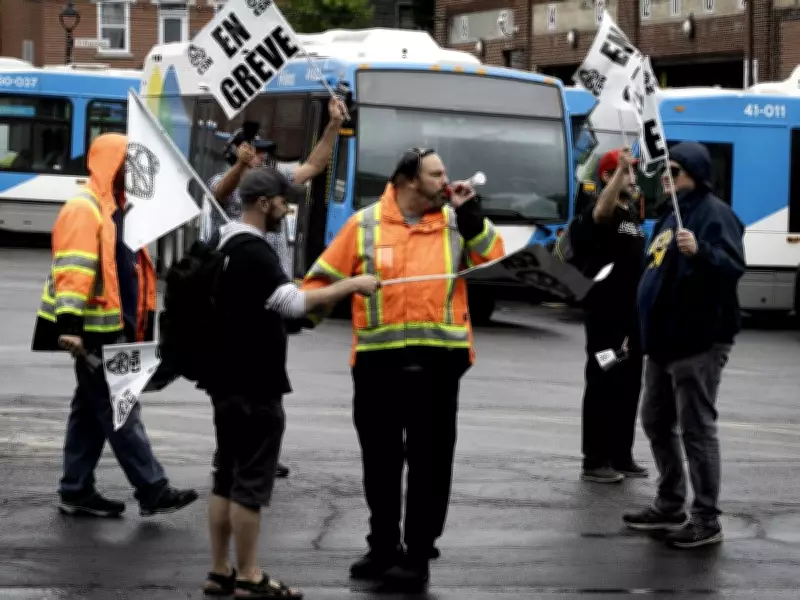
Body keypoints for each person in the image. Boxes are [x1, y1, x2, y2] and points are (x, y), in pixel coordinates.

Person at [301, 148, 506, 589]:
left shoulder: (455, 222)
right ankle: (382, 548)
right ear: (409, 180)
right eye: (437, 174)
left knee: (431, 467)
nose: (447, 181)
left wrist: (471, 214)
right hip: (378, 367)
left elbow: (496, 260)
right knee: (380, 464)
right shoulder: (365, 225)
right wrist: (300, 317)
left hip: (438, 367)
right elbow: (319, 282)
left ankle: (417, 555)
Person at [200, 168, 378, 598]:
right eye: (282, 200)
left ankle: (220, 571)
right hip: (255, 382)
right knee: (250, 485)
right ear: (264, 204)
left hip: (223, 379)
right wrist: (351, 284)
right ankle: (249, 575)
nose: (287, 207)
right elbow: (292, 303)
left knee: (225, 477)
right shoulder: (254, 250)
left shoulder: (218, 241)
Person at [31, 133, 198, 518]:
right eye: (128, 162)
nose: (135, 170)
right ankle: (152, 489)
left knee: (90, 413)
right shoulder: (84, 209)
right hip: (93, 332)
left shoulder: (118, 212)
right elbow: (73, 271)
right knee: (120, 409)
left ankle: (75, 489)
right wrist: (70, 326)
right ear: (111, 164)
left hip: (113, 330)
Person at [206, 97, 346, 479]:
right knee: (239, 382)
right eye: (258, 153)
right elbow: (218, 194)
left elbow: (315, 165)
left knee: (267, 381)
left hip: (273, 298)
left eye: (266, 154)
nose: (264, 159)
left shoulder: (273, 183)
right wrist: (240, 165)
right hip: (242, 304)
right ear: (238, 153)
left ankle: (264, 449)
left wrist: (333, 125)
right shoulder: (227, 183)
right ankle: (229, 452)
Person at [623, 142, 746, 549]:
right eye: (664, 169)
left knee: (696, 429)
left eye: (673, 170)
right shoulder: (666, 218)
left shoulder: (715, 214)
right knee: (656, 421)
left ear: (693, 172)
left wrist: (702, 252)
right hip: (662, 342)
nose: (665, 176)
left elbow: (731, 267)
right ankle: (670, 502)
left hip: (698, 341)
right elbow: (655, 273)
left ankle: (706, 519)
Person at [569, 148, 649, 484]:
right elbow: (601, 210)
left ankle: (621, 454)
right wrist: (619, 172)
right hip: (605, 315)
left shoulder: (630, 212)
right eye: (628, 173)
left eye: (632, 172)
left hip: (631, 316)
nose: (634, 178)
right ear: (608, 177)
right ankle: (595, 460)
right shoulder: (597, 211)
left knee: (629, 384)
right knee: (603, 381)